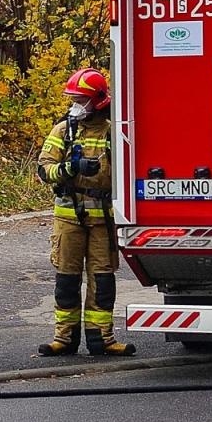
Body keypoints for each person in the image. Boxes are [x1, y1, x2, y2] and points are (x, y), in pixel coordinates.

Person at [36, 69, 135, 357]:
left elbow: (127, 170)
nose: (75, 104)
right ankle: (64, 339)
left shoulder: (112, 132)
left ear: (97, 101)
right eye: (73, 98)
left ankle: (101, 339)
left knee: (102, 281)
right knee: (67, 279)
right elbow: (44, 170)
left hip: (102, 220)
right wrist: (71, 169)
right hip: (69, 218)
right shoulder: (63, 131)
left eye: (81, 99)